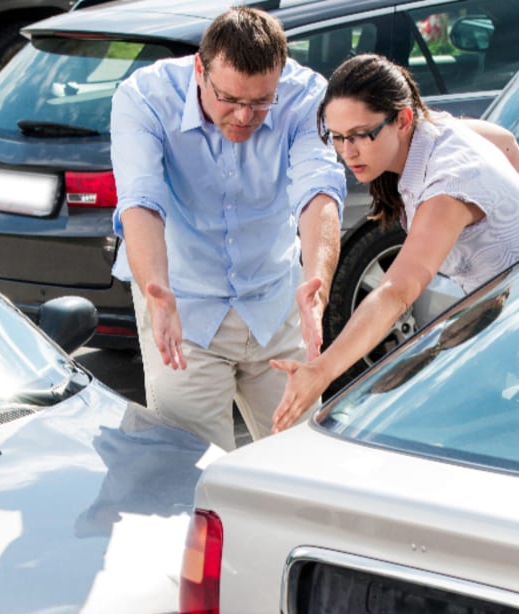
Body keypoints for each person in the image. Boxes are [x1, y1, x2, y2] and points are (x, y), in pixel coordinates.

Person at [270, 53, 519, 432]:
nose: (347, 152)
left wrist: (322, 371)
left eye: (360, 135)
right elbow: (503, 141)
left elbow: (397, 291)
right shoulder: (434, 129)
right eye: (337, 137)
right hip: (512, 323)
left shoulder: (450, 183)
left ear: (402, 119)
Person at [109, 6, 346, 451]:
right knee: (194, 480)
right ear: (200, 69)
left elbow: (319, 191)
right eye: (231, 99)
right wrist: (156, 290)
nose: (244, 116)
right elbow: (141, 200)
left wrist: (317, 285)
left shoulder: (305, 95)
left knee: (301, 463)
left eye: (261, 102)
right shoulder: (143, 97)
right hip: (182, 312)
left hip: (274, 304)